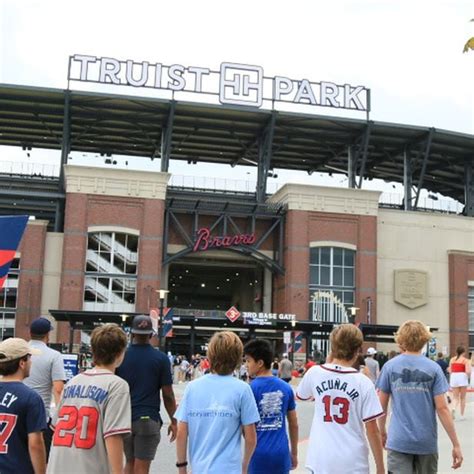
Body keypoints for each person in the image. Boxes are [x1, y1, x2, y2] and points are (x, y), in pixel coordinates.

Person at [296, 324, 385, 474]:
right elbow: (372, 430)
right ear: (357, 350)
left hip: (320, 458)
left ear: (333, 347)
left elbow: (301, 395)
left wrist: (328, 361)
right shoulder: (363, 382)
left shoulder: (316, 373)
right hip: (352, 461)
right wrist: (380, 467)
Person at [377, 320, 463, 473]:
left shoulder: (390, 367)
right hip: (426, 442)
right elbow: (442, 408)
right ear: (424, 339)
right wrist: (455, 443)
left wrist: (382, 431)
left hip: (398, 440)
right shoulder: (434, 368)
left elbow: (381, 406)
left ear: (401, 340)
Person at [47, 324, 131, 474]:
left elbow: (55, 427)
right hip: (89, 466)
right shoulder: (117, 385)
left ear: (93, 351)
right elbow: (113, 436)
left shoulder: (73, 381)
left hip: (58, 466)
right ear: (120, 353)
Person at [175, 331, 260, 474]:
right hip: (230, 469)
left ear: (210, 356)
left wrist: (182, 468)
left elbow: (181, 433)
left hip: (199, 469)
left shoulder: (192, 388)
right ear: (238, 358)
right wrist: (244, 466)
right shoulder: (242, 389)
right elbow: (251, 437)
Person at [116, 315, 177, 474]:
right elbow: (168, 394)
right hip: (147, 418)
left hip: (124, 418)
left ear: (132, 334)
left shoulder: (120, 357)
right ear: (151, 334)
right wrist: (174, 420)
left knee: (129, 462)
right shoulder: (161, 359)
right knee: (142, 467)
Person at [244, 339, 298, 474]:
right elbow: (294, 424)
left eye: (248, 361)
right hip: (281, 453)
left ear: (260, 363)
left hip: (257, 453)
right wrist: (294, 453)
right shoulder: (286, 388)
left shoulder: (249, 390)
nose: (246, 365)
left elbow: (244, 428)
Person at [0, 338, 46, 474]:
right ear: (22, 363)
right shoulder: (31, 397)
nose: (31, 362)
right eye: (29, 358)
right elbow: (35, 443)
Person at [23, 317, 66, 460]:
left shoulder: (19, 350)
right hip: (41, 415)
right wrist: (60, 417)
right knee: (40, 457)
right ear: (48, 334)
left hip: (15, 409)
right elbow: (58, 389)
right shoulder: (54, 356)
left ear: (30, 332)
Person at [448, 345, 471, 420]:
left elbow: (450, 370)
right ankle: (462, 415)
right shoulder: (465, 360)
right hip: (462, 376)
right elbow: (468, 371)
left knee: (455, 397)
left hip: (454, 377)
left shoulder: (452, 359)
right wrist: (468, 377)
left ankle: (453, 408)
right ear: (463, 352)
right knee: (463, 398)